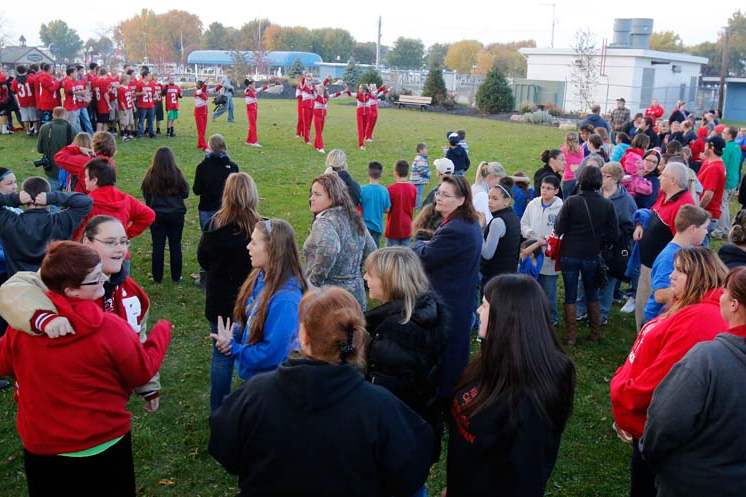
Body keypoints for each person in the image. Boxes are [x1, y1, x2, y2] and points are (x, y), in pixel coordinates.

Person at [208, 286, 433, 497]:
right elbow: (410, 473)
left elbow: (224, 448)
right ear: (355, 337)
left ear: (303, 337)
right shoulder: (382, 408)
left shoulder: (255, 394)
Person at [0, 240, 170, 497]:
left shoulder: (22, 329)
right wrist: (161, 332)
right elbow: (141, 371)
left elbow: (3, 364)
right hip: (104, 440)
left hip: (42, 443)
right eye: (94, 279)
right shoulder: (110, 327)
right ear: (71, 290)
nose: (104, 278)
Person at [0, 215, 166, 405]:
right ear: (87, 242)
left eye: (124, 241)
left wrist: (148, 385)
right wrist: (44, 319)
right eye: (111, 242)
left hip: (106, 401)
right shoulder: (62, 280)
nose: (120, 248)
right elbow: (15, 290)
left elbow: (137, 336)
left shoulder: (132, 291)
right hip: (53, 402)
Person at [610, 246, 727, 497]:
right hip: (646, 422)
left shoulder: (698, 319)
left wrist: (625, 402)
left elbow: (665, 379)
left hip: (657, 433)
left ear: (700, 276)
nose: (672, 276)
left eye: (680, 271)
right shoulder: (688, 307)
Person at [447, 274, 575, 497]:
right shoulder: (494, 358)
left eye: (485, 305)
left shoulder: (530, 399)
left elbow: (526, 478)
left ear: (506, 318)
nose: (478, 311)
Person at [641, 266, 746, 497]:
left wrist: (649, 452)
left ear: (734, 304)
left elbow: (665, 421)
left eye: (724, 291)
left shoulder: (707, 360)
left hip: (696, 482)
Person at [210, 219, 306, 409]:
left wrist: (234, 348)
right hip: (257, 380)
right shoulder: (261, 276)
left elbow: (273, 353)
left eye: (254, 242)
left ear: (272, 249)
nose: (247, 246)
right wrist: (236, 332)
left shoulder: (286, 300)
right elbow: (253, 315)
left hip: (273, 386)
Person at [363, 248, 448, 464]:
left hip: (397, 440)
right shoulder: (425, 313)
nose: (365, 278)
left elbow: (383, 394)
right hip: (420, 426)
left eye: (370, 274)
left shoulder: (397, 331)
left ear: (390, 280)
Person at [414, 175, 482, 397]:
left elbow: (426, 256)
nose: (438, 198)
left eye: (445, 194)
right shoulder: (465, 222)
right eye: (438, 192)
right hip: (460, 297)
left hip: (450, 302)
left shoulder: (455, 229)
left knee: (448, 357)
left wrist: (418, 244)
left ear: (461, 200)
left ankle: (446, 400)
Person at [197, 172, 259, 411]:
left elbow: (203, 258)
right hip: (249, 300)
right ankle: (247, 408)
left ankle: (220, 411)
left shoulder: (214, 224)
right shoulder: (259, 226)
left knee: (222, 357)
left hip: (224, 300)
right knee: (250, 354)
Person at [554, 166, 619, 344]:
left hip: (570, 252)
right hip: (592, 253)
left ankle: (571, 336)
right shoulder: (607, 204)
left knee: (570, 294)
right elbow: (614, 233)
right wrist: (601, 243)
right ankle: (595, 333)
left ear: (581, 179)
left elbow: (558, 229)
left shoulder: (571, 201)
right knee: (592, 293)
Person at [634, 162, 694, 331]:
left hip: (662, 270)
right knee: (641, 303)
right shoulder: (664, 195)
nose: (660, 177)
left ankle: (645, 341)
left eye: (664, 175)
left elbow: (684, 241)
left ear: (673, 180)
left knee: (651, 310)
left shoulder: (684, 205)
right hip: (648, 264)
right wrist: (639, 224)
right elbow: (651, 213)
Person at [575, 163, 637, 325]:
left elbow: (630, 227)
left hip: (611, 249)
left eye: (604, 175)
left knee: (607, 282)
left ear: (614, 178)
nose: (600, 177)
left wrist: (612, 232)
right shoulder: (595, 193)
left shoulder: (626, 201)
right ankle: (581, 310)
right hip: (590, 245)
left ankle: (601, 315)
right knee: (584, 278)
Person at [304, 173, 376, 310]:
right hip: (356, 296)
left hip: (330, 299)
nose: (311, 198)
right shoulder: (354, 217)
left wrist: (314, 283)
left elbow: (329, 249)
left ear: (333, 197)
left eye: (317, 194)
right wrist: (355, 272)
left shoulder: (324, 222)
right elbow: (372, 251)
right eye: (312, 193)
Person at [0, 176, 92, 275]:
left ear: (24, 197)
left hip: (18, 284)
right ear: (47, 194)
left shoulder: (9, 221)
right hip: (52, 285)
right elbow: (85, 202)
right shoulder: (60, 222)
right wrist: (52, 197)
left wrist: (16, 199)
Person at [642, 204, 709, 324]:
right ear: (693, 229)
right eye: (704, 228)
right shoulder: (669, 256)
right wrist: (692, 292)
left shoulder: (684, 251)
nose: (706, 231)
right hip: (657, 319)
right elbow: (659, 294)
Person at [72, 158, 155, 242]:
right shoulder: (126, 199)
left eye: (86, 176)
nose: (84, 179)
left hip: (92, 250)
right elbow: (149, 214)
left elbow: (76, 230)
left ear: (94, 180)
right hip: (118, 250)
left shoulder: (86, 203)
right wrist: (124, 235)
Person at [141, 147, 189, 283]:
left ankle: (157, 277)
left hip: (157, 215)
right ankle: (176, 276)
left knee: (158, 246)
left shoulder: (151, 175)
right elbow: (185, 193)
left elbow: (146, 194)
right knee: (175, 245)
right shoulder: (177, 174)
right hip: (176, 214)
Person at [521, 175, 563, 323]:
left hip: (549, 255)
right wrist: (530, 234)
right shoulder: (533, 204)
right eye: (543, 188)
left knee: (548, 288)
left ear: (556, 191)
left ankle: (551, 318)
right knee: (532, 286)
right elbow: (524, 223)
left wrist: (547, 239)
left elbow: (562, 231)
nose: (544, 191)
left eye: (549, 188)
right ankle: (533, 315)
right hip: (532, 251)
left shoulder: (561, 208)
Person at [193, 134, 239, 231]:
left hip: (207, 208)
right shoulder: (233, 167)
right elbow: (236, 191)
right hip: (226, 208)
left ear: (210, 147)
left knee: (207, 239)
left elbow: (197, 190)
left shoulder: (202, 167)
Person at [481, 181, 521, 288]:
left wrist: (479, 230)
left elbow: (487, 254)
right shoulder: (514, 217)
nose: (490, 202)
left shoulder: (497, 221)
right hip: (510, 274)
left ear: (507, 201)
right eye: (489, 198)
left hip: (494, 277)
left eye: (495, 198)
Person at [55, 130, 117, 194]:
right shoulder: (110, 162)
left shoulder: (86, 161)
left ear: (94, 144)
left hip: (83, 199)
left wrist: (78, 149)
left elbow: (59, 157)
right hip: (102, 197)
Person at [36, 106, 73, 191]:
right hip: (66, 167)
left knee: (52, 196)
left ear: (53, 115)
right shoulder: (71, 129)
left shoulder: (44, 128)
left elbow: (39, 149)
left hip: (51, 168)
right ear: (65, 115)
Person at [698, 135, 726, 242]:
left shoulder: (714, 168)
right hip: (707, 213)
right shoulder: (711, 162)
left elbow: (708, 195)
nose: (704, 148)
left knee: (701, 250)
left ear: (712, 148)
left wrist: (697, 210)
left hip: (707, 214)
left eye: (706, 145)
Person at [385, 160, 416, 246]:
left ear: (395, 172)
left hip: (393, 228)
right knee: (405, 256)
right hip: (407, 227)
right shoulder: (413, 188)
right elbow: (413, 206)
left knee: (391, 256)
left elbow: (387, 209)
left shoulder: (390, 189)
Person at [360, 161, 390, 246]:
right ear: (381, 175)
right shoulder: (384, 190)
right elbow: (387, 209)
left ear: (368, 173)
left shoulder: (362, 189)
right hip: (377, 227)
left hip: (364, 226)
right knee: (374, 253)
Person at [243, 78, 279, 148]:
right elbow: (252, 93)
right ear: (249, 85)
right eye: (253, 84)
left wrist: (273, 85)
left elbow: (262, 88)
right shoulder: (247, 90)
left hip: (254, 109)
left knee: (252, 125)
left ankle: (249, 140)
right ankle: (254, 141)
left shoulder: (253, 90)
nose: (254, 85)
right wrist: (256, 90)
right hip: (250, 110)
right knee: (253, 125)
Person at [472, 161, 507, 226]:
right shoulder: (482, 195)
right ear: (491, 177)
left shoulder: (475, 187)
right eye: (500, 181)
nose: (500, 185)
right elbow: (487, 224)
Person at [11, 65, 37, 136]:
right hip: (31, 100)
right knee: (34, 118)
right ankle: (35, 130)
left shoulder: (15, 81)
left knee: (25, 118)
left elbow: (13, 91)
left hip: (22, 101)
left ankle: (28, 131)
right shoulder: (30, 79)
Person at [560, 132, 583, 198]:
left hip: (567, 178)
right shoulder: (581, 149)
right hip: (578, 177)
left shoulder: (563, 150)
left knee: (566, 201)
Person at [410, 143, 430, 208]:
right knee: (419, 194)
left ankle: (414, 205)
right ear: (421, 151)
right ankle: (418, 206)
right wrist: (428, 173)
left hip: (416, 180)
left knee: (417, 194)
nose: (427, 150)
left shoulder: (419, 158)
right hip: (419, 180)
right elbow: (421, 170)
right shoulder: (420, 159)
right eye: (425, 149)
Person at [194, 80, 210, 150]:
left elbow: (212, 90)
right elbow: (204, 96)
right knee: (200, 130)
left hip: (205, 111)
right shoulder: (197, 92)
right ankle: (204, 146)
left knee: (203, 130)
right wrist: (205, 85)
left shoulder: (203, 91)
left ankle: (199, 144)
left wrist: (221, 85)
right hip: (199, 112)